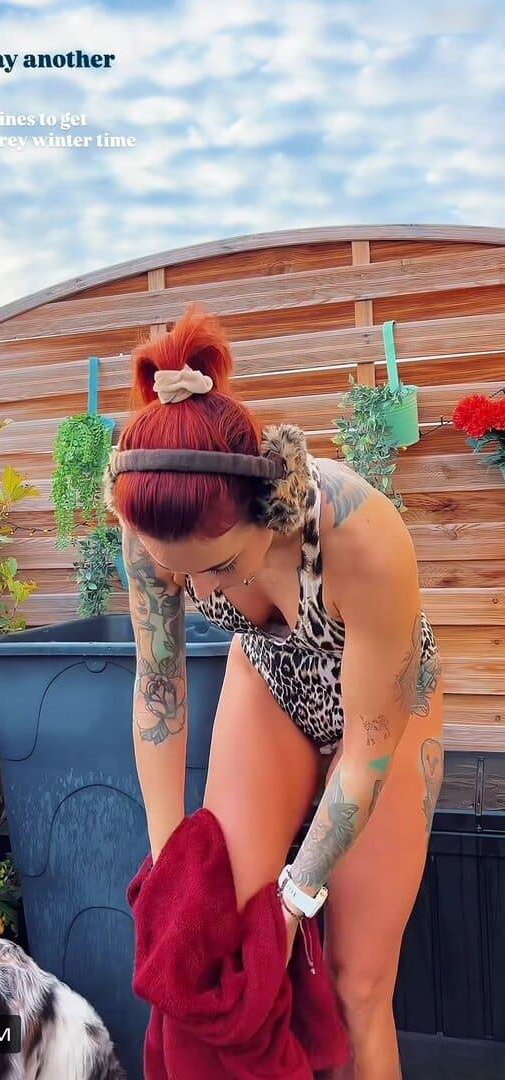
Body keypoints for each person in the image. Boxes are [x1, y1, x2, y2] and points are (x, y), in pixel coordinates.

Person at [104, 302, 444, 1080]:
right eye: (183, 576)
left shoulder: (363, 536)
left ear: (272, 509)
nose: (199, 590)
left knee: (357, 986)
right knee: (218, 940)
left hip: (383, 715)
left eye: (221, 567)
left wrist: (297, 897)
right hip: (271, 680)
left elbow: (368, 749)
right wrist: (171, 869)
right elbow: (159, 688)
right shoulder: (151, 522)